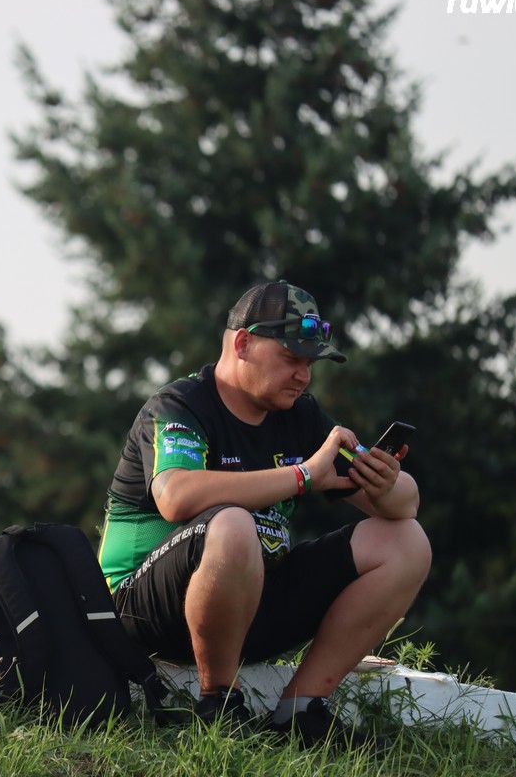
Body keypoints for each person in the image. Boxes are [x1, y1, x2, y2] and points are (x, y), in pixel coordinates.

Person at [97, 281, 430, 747]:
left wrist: (384, 479)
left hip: (246, 605)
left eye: (310, 364)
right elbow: (175, 495)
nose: (303, 376)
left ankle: (302, 710)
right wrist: (303, 477)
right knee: (232, 523)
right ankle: (219, 703)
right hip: (144, 612)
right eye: (291, 359)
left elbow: (406, 506)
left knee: (407, 541)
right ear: (242, 343)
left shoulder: (298, 416)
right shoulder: (179, 405)